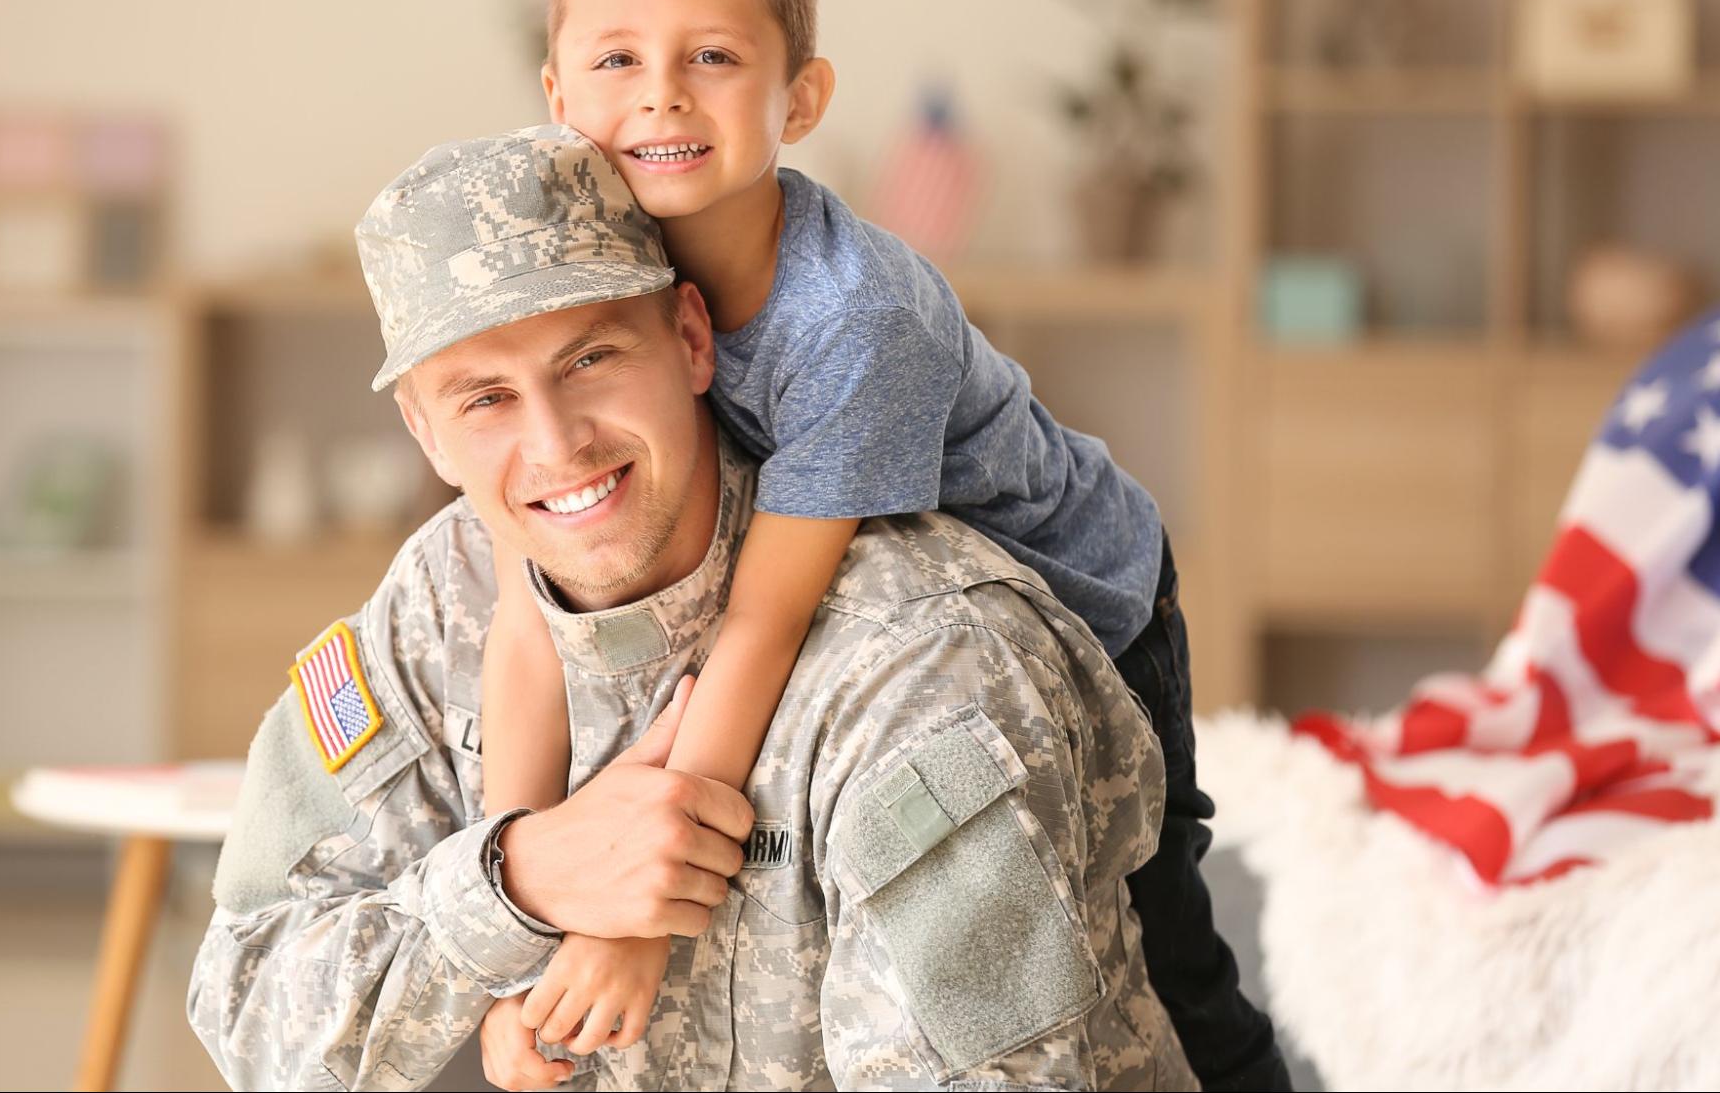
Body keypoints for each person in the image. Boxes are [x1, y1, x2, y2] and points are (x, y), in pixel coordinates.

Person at [477, 0, 1288, 1090]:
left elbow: (764, 616)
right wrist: (523, 922)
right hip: (872, 607)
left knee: (1155, 939)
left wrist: (629, 917)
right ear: (554, 90)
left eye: (711, 58)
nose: (659, 99)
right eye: (616, 60)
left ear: (799, 98)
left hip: (1080, 593)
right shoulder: (592, 272)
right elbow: (524, 609)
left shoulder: (854, 321)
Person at [187, 125, 1193, 1090]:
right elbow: (247, 1013)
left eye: (589, 359)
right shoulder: (434, 604)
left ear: (692, 338)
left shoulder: (920, 654)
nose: (556, 443)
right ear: (427, 435)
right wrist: (520, 878)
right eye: (484, 398)